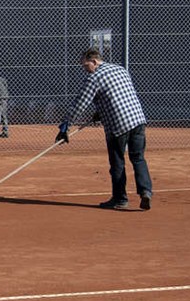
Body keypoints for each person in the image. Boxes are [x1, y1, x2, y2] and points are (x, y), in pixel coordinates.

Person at [57, 48, 152, 211]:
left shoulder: (94, 78)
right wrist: (100, 112)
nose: (85, 69)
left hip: (118, 125)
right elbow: (117, 95)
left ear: (94, 61)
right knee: (138, 158)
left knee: (117, 162)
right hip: (137, 120)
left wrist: (65, 126)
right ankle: (145, 191)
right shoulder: (120, 69)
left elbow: (80, 104)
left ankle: (120, 199)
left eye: (86, 65)